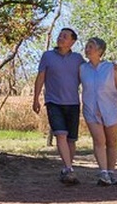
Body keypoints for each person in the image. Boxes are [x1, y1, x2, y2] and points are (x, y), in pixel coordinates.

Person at [33, 28, 85, 185]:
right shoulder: (47, 56)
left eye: (65, 36)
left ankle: (66, 167)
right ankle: (69, 169)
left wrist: (110, 67)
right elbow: (41, 77)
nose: (61, 38)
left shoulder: (78, 59)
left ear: (72, 42)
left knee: (71, 139)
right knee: (60, 134)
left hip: (73, 103)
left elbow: (91, 71)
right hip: (53, 102)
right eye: (60, 35)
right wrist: (35, 98)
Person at [80, 37, 117, 186]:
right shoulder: (82, 68)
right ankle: (103, 173)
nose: (87, 49)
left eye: (90, 47)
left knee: (112, 141)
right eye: (86, 46)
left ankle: (111, 172)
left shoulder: (110, 67)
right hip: (91, 109)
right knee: (99, 140)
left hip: (110, 108)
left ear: (100, 51)